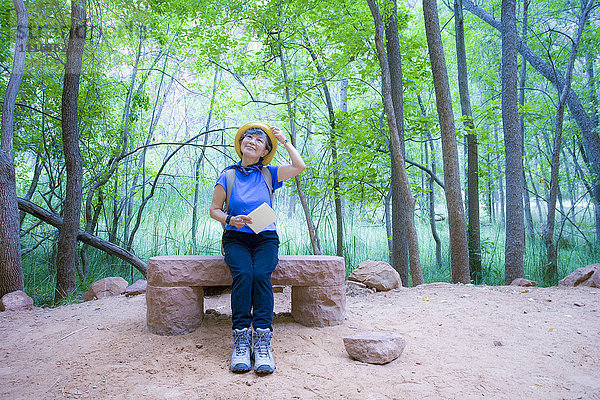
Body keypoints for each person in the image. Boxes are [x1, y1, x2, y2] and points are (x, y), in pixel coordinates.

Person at [209, 122, 305, 374]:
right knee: (244, 275)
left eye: (258, 140)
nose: (251, 141)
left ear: (264, 151)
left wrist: (284, 141)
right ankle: (241, 340)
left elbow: (299, 166)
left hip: (265, 238)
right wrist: (230, 219)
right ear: (241, 144)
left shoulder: (269, 174)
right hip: (235, 238)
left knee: (261, 275)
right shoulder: (227, 175)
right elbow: (214, 210)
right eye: (247, 137)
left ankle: (262, 341)